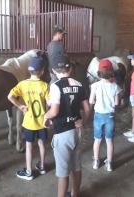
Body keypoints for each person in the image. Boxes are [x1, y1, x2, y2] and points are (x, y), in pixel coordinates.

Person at [43, 54, 90, 197]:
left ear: (54, 71)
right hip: (78, 129)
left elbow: (55, 110)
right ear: (70, 68)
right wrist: (84, 122)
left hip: (63, 132)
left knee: (63, 172)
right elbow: (87, 109)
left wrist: (46, 116)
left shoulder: (55, 86)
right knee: (76, 166)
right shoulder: (79, 84)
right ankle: (75, 194)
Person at [7, 57, 50, 180]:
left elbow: (10, 96)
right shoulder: (45, 86)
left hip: (29, 122)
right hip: (42, 121)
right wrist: (48, 116)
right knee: (42, 143)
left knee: (29, 146)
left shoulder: (22, 84)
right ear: (42, 71)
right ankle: (41, 166)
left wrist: (20, 106)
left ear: (29, 70)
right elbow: (50, 103)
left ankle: (29, 172)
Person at [89, 59, 121, 172]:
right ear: (112, 72)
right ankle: (109, 163)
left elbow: (91, 101)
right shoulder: (115, 86)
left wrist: (97, 99)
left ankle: (96, 161)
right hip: (110, 116)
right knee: (109, 140)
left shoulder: (95, 85)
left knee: (97, 139)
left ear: (98, 72)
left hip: (98, 115)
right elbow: (117, 103)